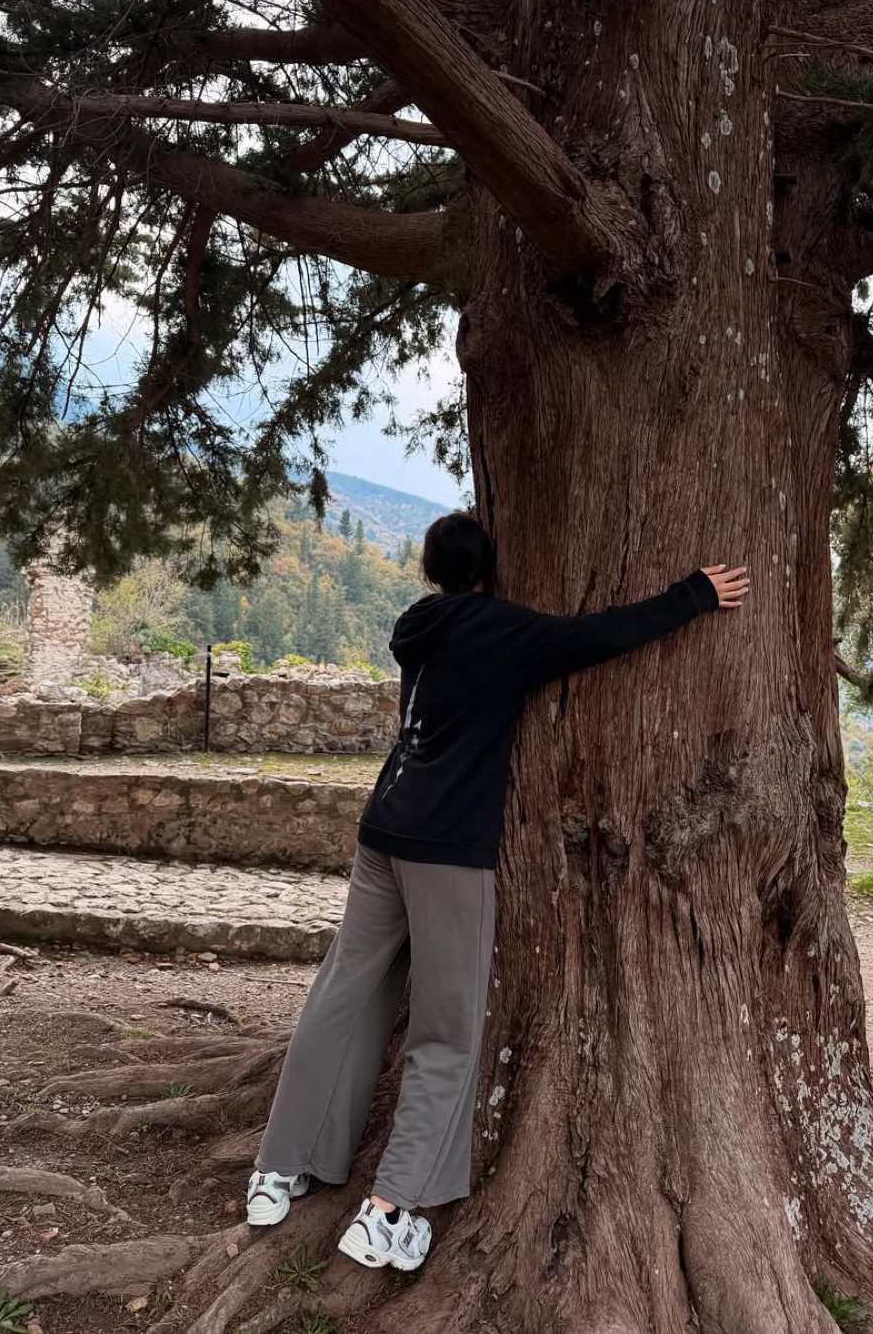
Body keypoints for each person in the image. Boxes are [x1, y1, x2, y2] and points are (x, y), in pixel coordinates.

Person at [245, 512, 749, 1270]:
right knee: (447, 1034)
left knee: (343, 995)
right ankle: (391, 1208)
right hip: (448, 850)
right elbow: (603, 635)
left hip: (383, 828)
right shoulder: (505, 633)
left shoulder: (418, 624)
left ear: (431, 569)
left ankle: (279, 1167)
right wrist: (696, 593)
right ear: (491, 569)